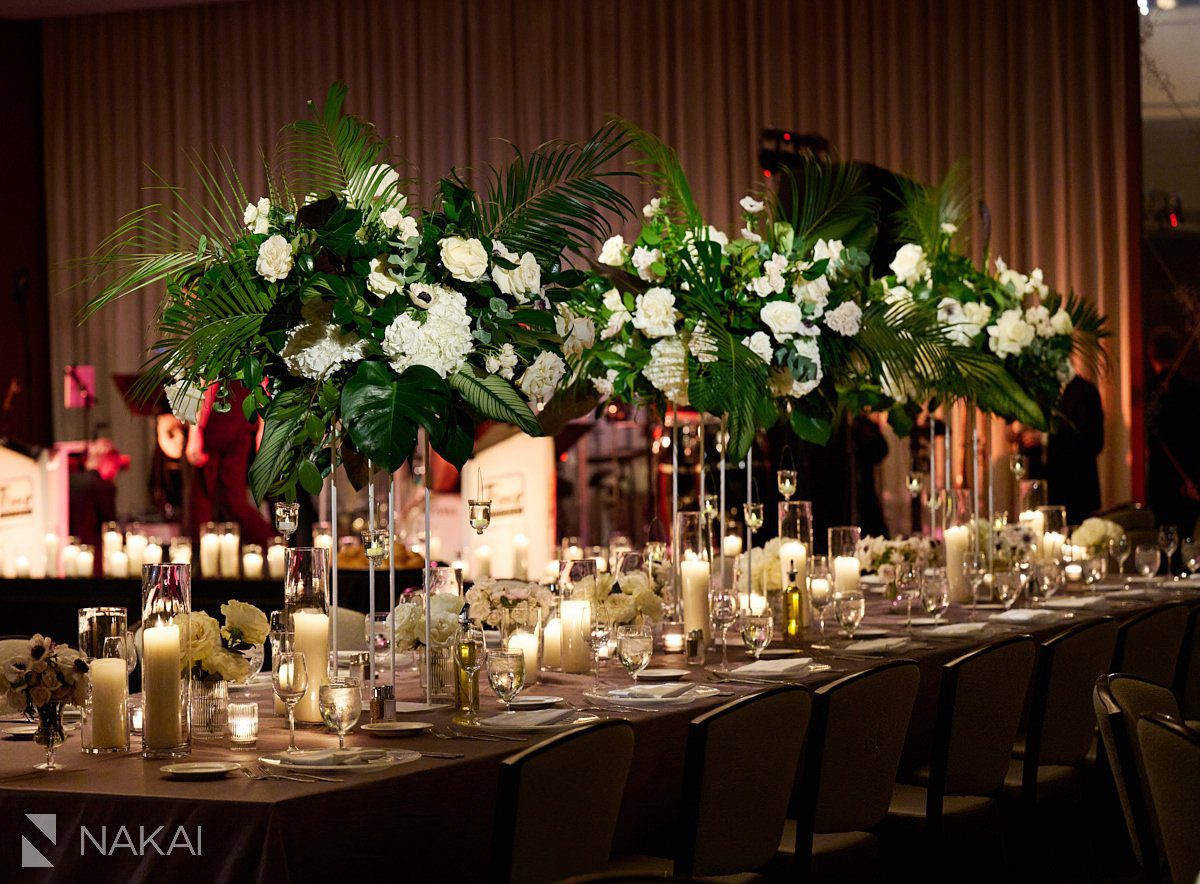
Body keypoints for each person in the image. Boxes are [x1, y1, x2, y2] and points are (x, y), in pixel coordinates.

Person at [186, 382, 274, 547]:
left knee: (206, 499)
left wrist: (195, 430)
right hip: (238, 415)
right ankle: (272, 544)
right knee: (229, 499)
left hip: (224, 417)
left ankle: (272, 544)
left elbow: (206, 381)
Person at [1146, 327, 1200, 534]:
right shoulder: (1189, 388)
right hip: (1187, 479)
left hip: (1164, 481)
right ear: (1177, 353)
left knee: (1165, 538)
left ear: (1151, 355)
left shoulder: (1155, 388)